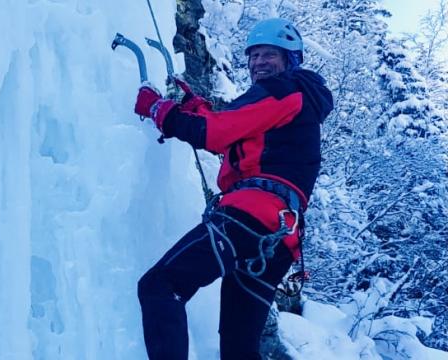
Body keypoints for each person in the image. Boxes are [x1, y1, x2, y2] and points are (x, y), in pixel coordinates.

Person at [133, 18, 334, 359]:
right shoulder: (296, 103)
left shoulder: (286, 90)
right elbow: (237, 133)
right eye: (253, 56)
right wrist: (197, 108)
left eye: (269, 54)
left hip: (250, 219)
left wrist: (160, 110)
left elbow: (214, 132)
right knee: (238, 349)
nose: (258, 63)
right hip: (278, 239)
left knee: (160, 286)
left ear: (290, 60)